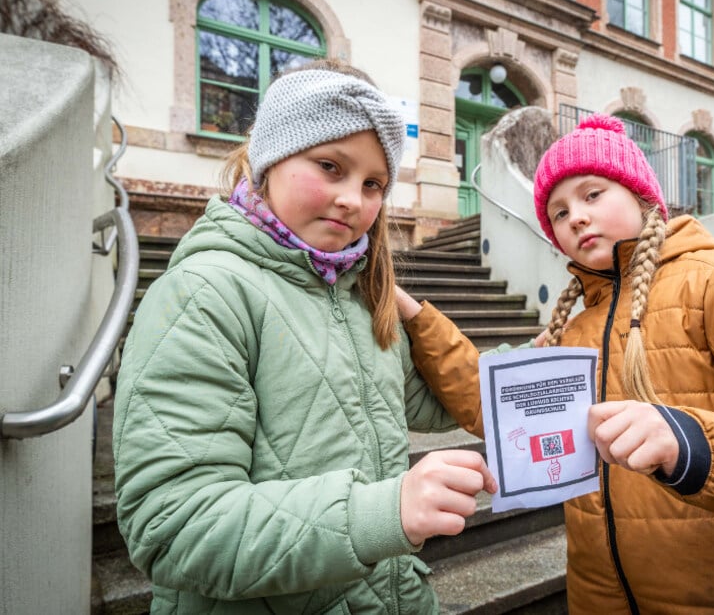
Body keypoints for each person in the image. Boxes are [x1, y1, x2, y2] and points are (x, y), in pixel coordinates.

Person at [393, 114, 714, 614]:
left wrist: (692, 443)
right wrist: (417, 316)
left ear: (643, 196)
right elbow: (489, 403)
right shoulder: (574, 328)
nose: (575, 216)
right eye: (558, 213)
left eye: (592, 194)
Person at [112, 62, 497, 614]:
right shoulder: (204, 293)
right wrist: (384, 513)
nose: (352, 200)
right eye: (330, 166)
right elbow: (174, 525)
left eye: (373, 185)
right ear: (269, 160)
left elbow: (445, 397)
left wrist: (550, 366)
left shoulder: (355, 295)